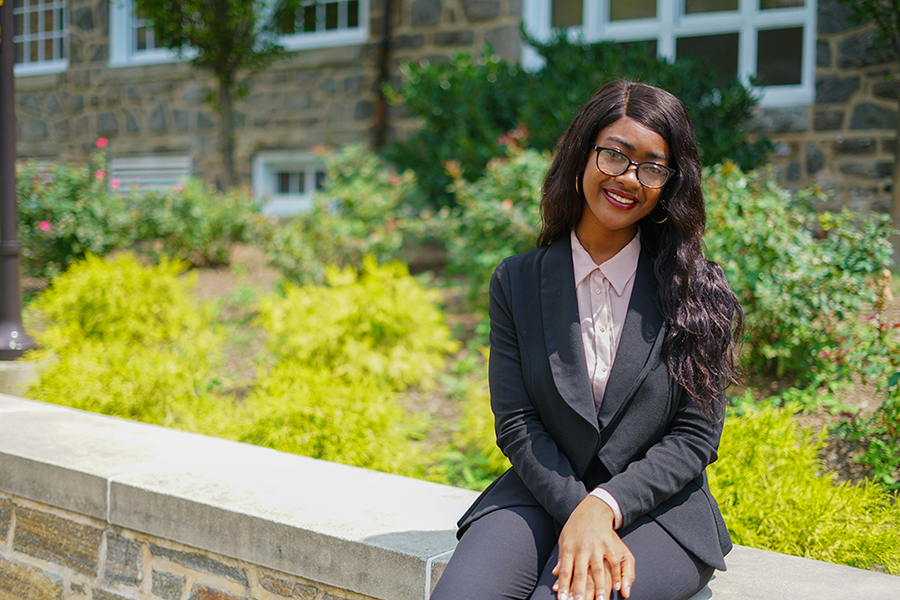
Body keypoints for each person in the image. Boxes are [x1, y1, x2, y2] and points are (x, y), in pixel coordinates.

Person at [430, 80, 743, 600]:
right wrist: (578, 508)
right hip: (539, 492)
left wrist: (604, 506)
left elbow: (694, 437)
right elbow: (516, 421)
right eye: (615, 155)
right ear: (582, 156)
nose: (628, 178)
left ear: (669, 185)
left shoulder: (697, 291)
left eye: (652, 166)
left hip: (656, 511)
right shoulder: (517, 281)